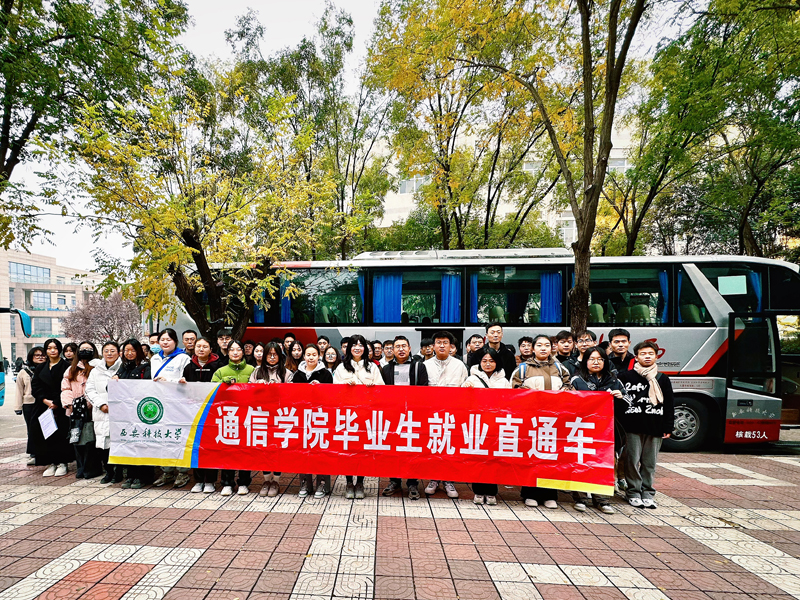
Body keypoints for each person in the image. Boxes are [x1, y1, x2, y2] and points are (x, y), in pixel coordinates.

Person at [512, 334, 572, 509]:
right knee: (531, 456)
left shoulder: (560, 368)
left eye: (547, 345)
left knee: (552, 457)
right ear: (533, 348)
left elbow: (569, 387)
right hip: (530, 421)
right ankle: (530, 493)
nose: (543, 348)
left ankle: (550, 494)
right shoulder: (522, 369)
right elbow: (513, 391)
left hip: (554, 421)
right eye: (539, 345)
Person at [617, 341, 675, 509]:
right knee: (632, 461)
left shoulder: (662, 379)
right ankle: (633, 492)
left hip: (655, 426)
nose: (647, 357)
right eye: (643, 354)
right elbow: (619, 402)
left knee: (649, 463)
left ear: (656, 357)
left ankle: (648, 493)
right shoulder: (625, 377)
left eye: (650, 354)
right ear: (636, 357)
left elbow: (669, 404)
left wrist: (668, 427)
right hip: (631, 427)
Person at [569, 346, 621, 515]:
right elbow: (569, 404)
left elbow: (628, 404)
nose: (596, 362)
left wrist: (620, 397)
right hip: (582, 428)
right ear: (585, 362)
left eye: (600, 359)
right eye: (592, 359)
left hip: (606, 430)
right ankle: (580, 498)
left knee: (603, 463)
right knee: (580, 461)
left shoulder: (614, 380)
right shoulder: (577, 380)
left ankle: (602, 500)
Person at [333, 334, 384, 499]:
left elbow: (382, 389)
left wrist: (373, 387)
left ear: (365, 349)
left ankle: (360, 482)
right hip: (347, 417)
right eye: (354, 345)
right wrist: (344, 385)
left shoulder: (373, 367)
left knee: (363, 451)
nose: (357, 348)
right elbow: (333, 390)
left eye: (360, 345)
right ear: (349, 348)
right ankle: (349, 482)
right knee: (348, 450)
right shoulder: (341, 368)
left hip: (365, 416)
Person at [381, 335, 428, 500]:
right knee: (393, 450)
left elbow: (424, 389)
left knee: (411, 450)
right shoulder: (386, 369)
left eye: (404, 346)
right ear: (392, 350)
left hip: (413, 415)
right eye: (397, 346)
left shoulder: (419, 366)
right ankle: (394, 481)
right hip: (393, 416)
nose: (401, 349)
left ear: (409, 348)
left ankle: (412, 482)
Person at [423, 331, 468, 499]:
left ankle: (449, 480)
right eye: (438, 342)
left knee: (450, 448)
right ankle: (433, 479)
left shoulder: (460, 365)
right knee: (433, 447)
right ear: (433, 346)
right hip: (432, 415)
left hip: (452, 415)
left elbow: (465, 390)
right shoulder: (425, 365)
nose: (442, 345)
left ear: (451, 346)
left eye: (445, 342)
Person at [463, 348, 510, 505]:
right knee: (478, 459)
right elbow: (462, 401)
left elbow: (509, 402)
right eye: (484, 361)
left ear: (497, 363)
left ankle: (491, 492)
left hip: (496, 425)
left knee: (494, 460)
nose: (488, 364)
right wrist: (465, 389)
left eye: (491, 361)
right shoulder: (472, 379)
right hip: (478, 426)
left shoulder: (504, 381)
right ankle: (478, 491)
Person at [212, 340, 254, 496]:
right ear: (227, 352)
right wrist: (222, 384)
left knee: (245, 450)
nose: (235, 352)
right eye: (232, 350)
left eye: (238, 349)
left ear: (243, 352)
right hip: (227, 416)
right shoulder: (221, 371)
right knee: (227, 450)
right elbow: (212, 390)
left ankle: (243, 482)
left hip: (247, 415)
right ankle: (227, 483)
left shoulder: (252, 370)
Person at [151, 329, 192, 488]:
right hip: (160, 404)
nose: (165, 342)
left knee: (179, 437)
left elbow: (186, 381)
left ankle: (183, 472)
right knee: (163, 438)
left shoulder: (183, 358)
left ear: (175, 341)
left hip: (178, 404)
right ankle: (167, 471)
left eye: (168, 339)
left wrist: (168, 381)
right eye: (162, 339)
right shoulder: (155, 358)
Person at [292, 344, 333, 499]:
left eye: (314, 354)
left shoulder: (326, 374)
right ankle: (304, 483)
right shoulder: (297, 375)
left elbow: (332, 396)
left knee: (321, 452)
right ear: (304, 356)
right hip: (302, 418)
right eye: (308, 354)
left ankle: (322, 484)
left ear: (319, 356)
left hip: (321, 418)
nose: (311, 357)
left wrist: (320, 388)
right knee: (302, 451)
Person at [249, 341, 289, 496]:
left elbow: (293, 394)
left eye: (275, 354)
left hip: (280, 418)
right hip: (261, 417)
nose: (272, 357)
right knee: (263, 449)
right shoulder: (256, 372)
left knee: (277, 450)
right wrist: (256, 386)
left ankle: (276, 481)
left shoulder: (286, 373)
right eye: (269, 354)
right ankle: (266, 480)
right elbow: (246, 393)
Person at [30, 338, 73, 477]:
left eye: (55, 348)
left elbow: (69, 387)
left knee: (61, 434)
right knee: (45, 434)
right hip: (43, 405)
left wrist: (56, 402)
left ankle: (62, 463)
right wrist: (45, 400)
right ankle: (50, 463)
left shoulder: (66, 366)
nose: (52, 350)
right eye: (49, 348)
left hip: (61, 405)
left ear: (59, 350)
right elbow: (35, 386)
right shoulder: (40, 367)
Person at [114, 339, 152, 489]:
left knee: (142, 444)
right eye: (126, 350)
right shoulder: (123, 366)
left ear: (139, 351)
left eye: (133, 350)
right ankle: (130, 475)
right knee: (128, 443)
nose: (129, 353)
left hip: (142, 411)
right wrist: (114, 380)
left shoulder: (146, 366)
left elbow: (148, 387)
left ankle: (143, 476)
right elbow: (111, 388)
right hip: (126, 412)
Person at [61, 342, 102, 480]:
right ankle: (80, 468)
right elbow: (65, 388)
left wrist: (89, 403)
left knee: (90, 441)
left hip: (93, 409)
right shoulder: (71, 369)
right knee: (77, 439)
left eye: (88, 349)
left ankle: (91, 469)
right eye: (82, 349)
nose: (85, 351)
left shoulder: (98, 367)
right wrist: (70, 404)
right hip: (75, 411)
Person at [87, 341, 122, 484]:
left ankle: (119, 472)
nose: (109, 354)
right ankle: (109, 472)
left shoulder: (122, 368)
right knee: (103, 443)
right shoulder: (96, 371)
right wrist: (100, 404)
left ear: (118, 353)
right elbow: (89, 390)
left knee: (118, 443)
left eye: (113, 351)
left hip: (119, 412)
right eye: (106, 351)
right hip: (102, 412)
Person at [15, 346, 45, 466]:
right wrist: (18, 407)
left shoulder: (48, 369)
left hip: (45, 403)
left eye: (42, 355)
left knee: (46, 428)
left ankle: (46, 453)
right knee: (31, 430)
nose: (40, 357)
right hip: (29, 404)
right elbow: (19, 390)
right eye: (37, 355)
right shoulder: (24, 372)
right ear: (31, 357)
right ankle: (34, 454)